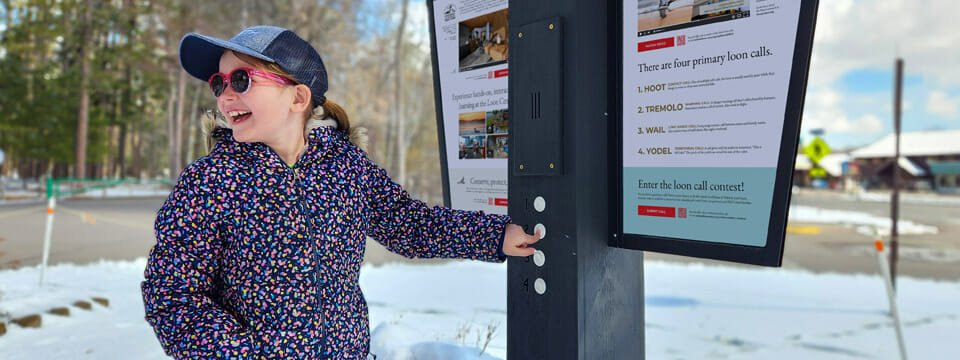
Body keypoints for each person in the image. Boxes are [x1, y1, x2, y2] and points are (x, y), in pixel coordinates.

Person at [141, 25, 541, 359]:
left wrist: (493, 236)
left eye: (241, 80)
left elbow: (408, 224)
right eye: (218, 83)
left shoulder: (346, 167)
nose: (225, 96)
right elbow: (173, 296)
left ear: (298, 97)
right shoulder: (210, 181)